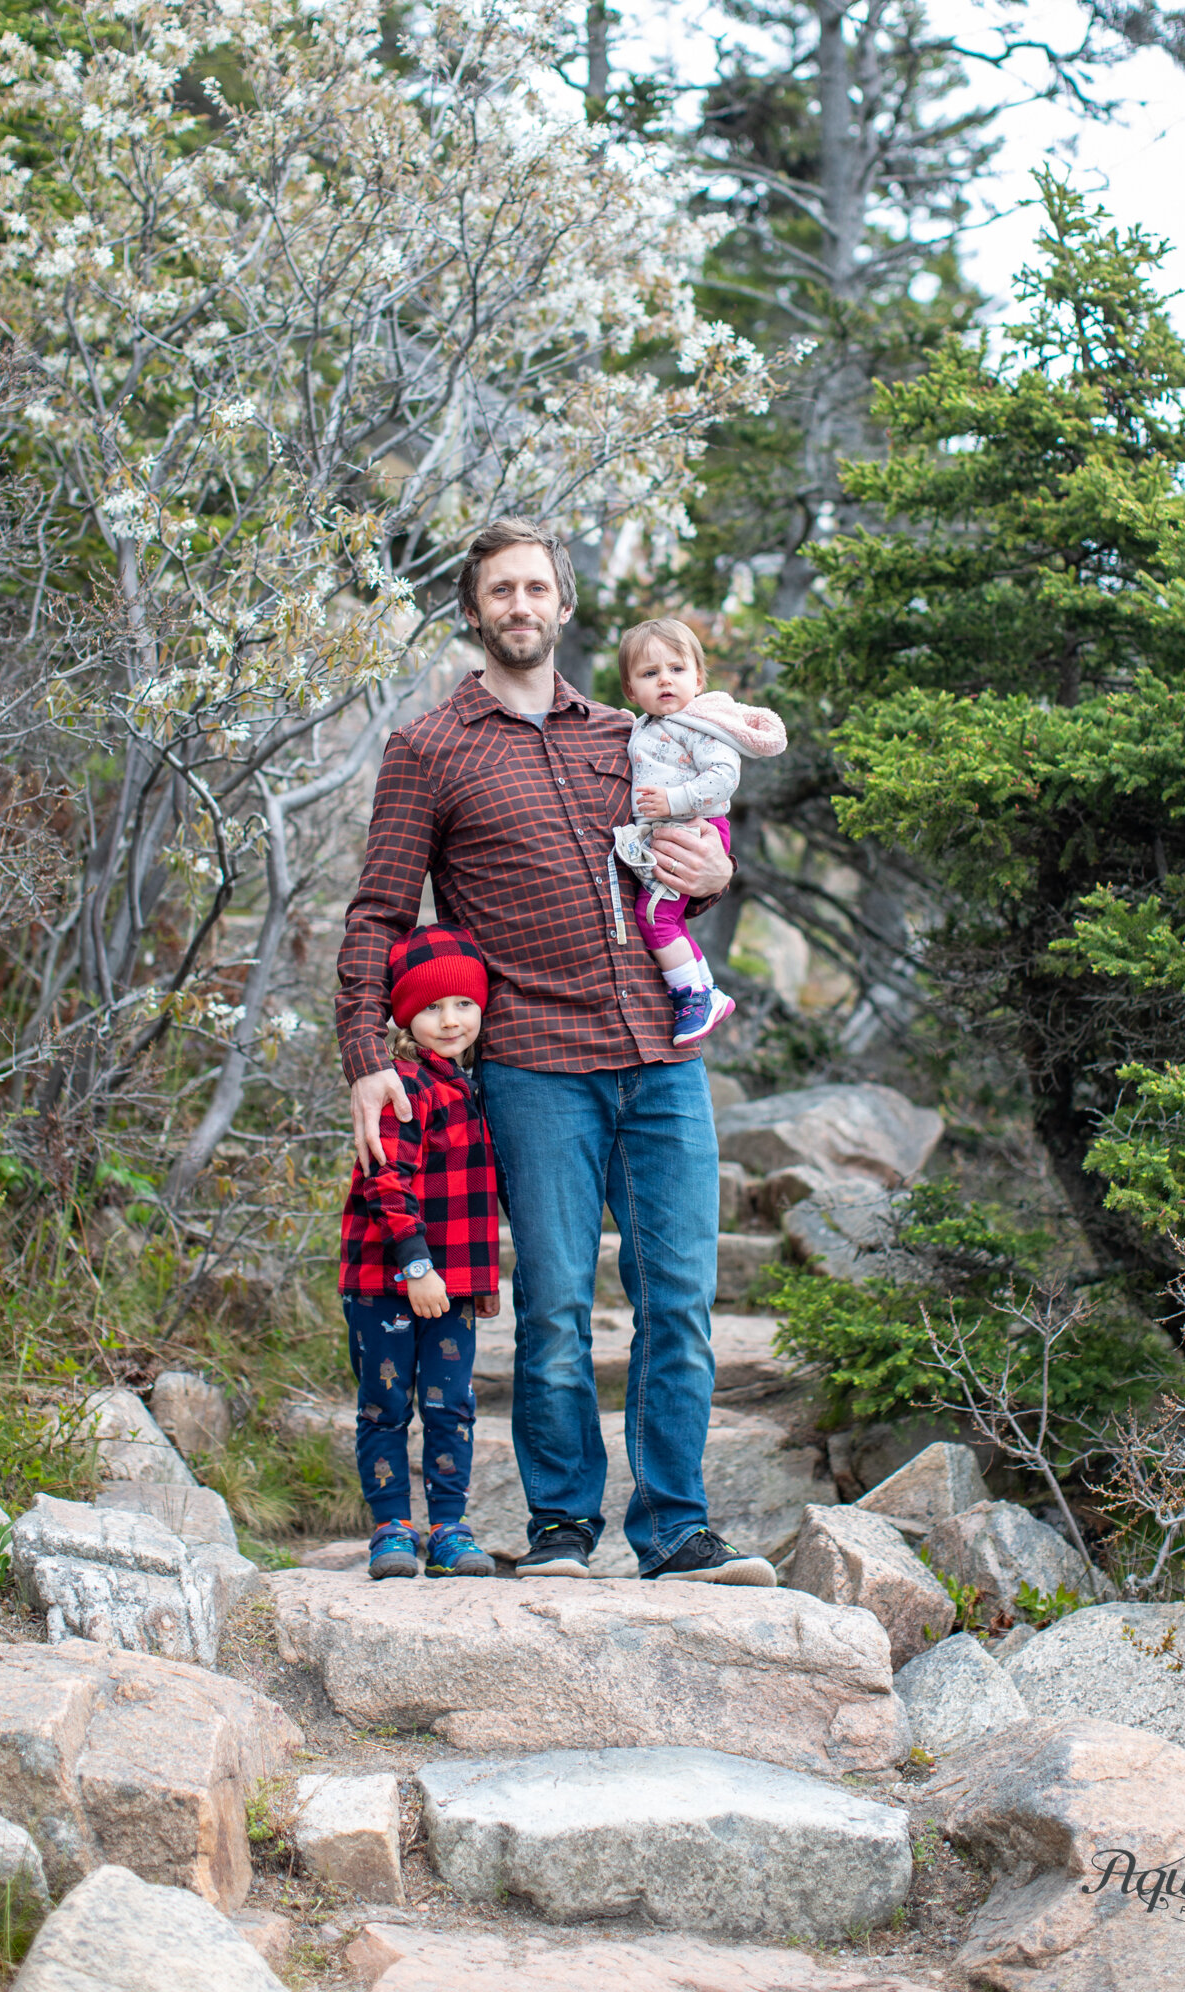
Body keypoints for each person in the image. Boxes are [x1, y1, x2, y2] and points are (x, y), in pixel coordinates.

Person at [337, 516, 777, 1586]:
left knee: (678, 1300)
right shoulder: (429, 749)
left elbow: (681, 862)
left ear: (564, 605)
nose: (520, 607)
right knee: (557, 1307)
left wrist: (718, 879)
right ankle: (561, 1530)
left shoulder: (626, 734)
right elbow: (377, 915)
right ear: (473, 611)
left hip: (663, 1059)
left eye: (537, 587)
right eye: (500, 591)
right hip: (533, 1065)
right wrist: (364, 1056)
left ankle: (674, 1529)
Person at [339, 923, 500, 1582]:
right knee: (385, 1404)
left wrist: (467, 1279)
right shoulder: (403, 1085)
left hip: (451, 1287)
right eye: (431, 1007)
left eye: (463, 1003)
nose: (450, 1019)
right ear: (405, 1014)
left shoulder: (467, 1085)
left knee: (450, 1406)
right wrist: (416, 1263)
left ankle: (450, 1527)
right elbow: (385, 1179)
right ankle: (390, 1529)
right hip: (390, 1281)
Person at [613, 617, 787, 1048]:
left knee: (654, 917)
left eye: (677, 669)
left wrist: (674, 801)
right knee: (668, 917)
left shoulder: (698, 725)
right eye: (650, 674)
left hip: (695, 831)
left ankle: (692, 995)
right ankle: (705, 986)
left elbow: (724, 777)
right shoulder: (647, 724)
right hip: (670, 833)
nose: (665, 680)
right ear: (632, 691)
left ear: (699, 678)